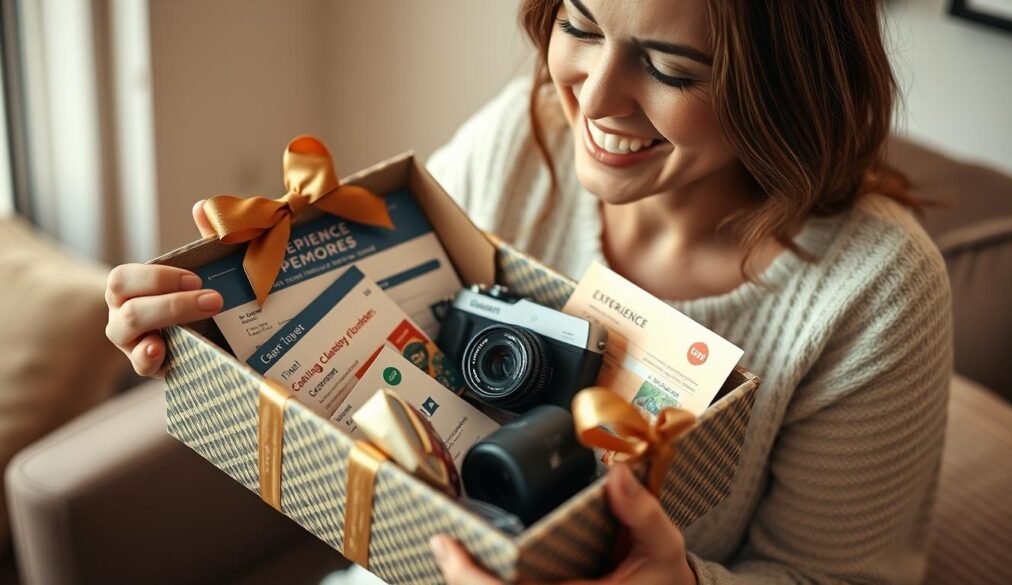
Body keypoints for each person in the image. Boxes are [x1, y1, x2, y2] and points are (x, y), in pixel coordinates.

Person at [105, 0, 953, 583]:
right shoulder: (523, 137)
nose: (594, 93)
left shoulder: (876, 288)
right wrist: (212, 332)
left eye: (671, 67)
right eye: (581, 24)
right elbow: (353, 358)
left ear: (782, 82)